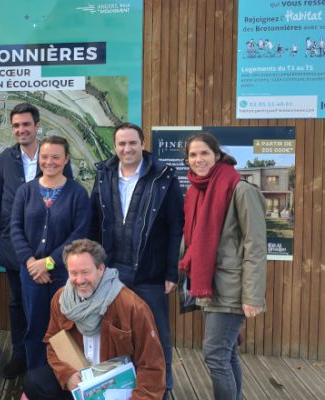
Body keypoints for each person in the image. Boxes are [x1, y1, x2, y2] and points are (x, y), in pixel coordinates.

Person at [88, 122, 183, 395]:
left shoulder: (164, 177)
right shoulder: (104, 175)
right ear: (115, 147)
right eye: (121, 144)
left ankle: (163, 390)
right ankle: (120, 390)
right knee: (114, 335)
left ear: (142, 143)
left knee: (156, 336)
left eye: (132, 143)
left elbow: (176, 227)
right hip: (111, 273)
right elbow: (95, 222)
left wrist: (170, 272)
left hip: (150, 274)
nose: (127, 148)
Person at [180, 132, 266, 400]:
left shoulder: (240, 189)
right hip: (209, 285)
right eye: (193, 155)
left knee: (214, 355)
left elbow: (256, 246)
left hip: (231, 287)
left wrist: (252, 296)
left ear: (217, 155)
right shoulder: (196, 191)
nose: (198, 159)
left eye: (204, 153)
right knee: (226, 353)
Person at [23, 239, 165, 400]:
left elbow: (152, 367)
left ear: (101, 269)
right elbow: (53, 342)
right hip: (81, 382)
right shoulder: (61, 299)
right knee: (33, 382)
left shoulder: (132, 306)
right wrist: (67, 375)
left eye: (85, 272)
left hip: (117, 388)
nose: (80, 280)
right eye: (73, 273)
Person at [0, 102, 74, 379]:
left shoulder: (54, 154)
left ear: (37, 126)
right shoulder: (5, 158)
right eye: (16, 125)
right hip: (17, 247)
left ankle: (54, 363)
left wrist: (48, 261)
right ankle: (21, 356)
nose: (21, 130)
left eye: (26, 124)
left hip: (51, 251)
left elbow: (67, 200)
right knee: (18, 304)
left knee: (52, 309)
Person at [10, 135, 90, 370]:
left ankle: (64, 379)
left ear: (66, 159)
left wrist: (49, 262)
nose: (49, 162)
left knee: (65, 328)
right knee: (35, 328)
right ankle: (36, 379)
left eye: (56, 157)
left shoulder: (78, 194)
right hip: (31, 273)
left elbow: (79, 233)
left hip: (65, 275)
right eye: (44, 157)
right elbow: (15, 228)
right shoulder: (25, 191)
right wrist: (31, 262)